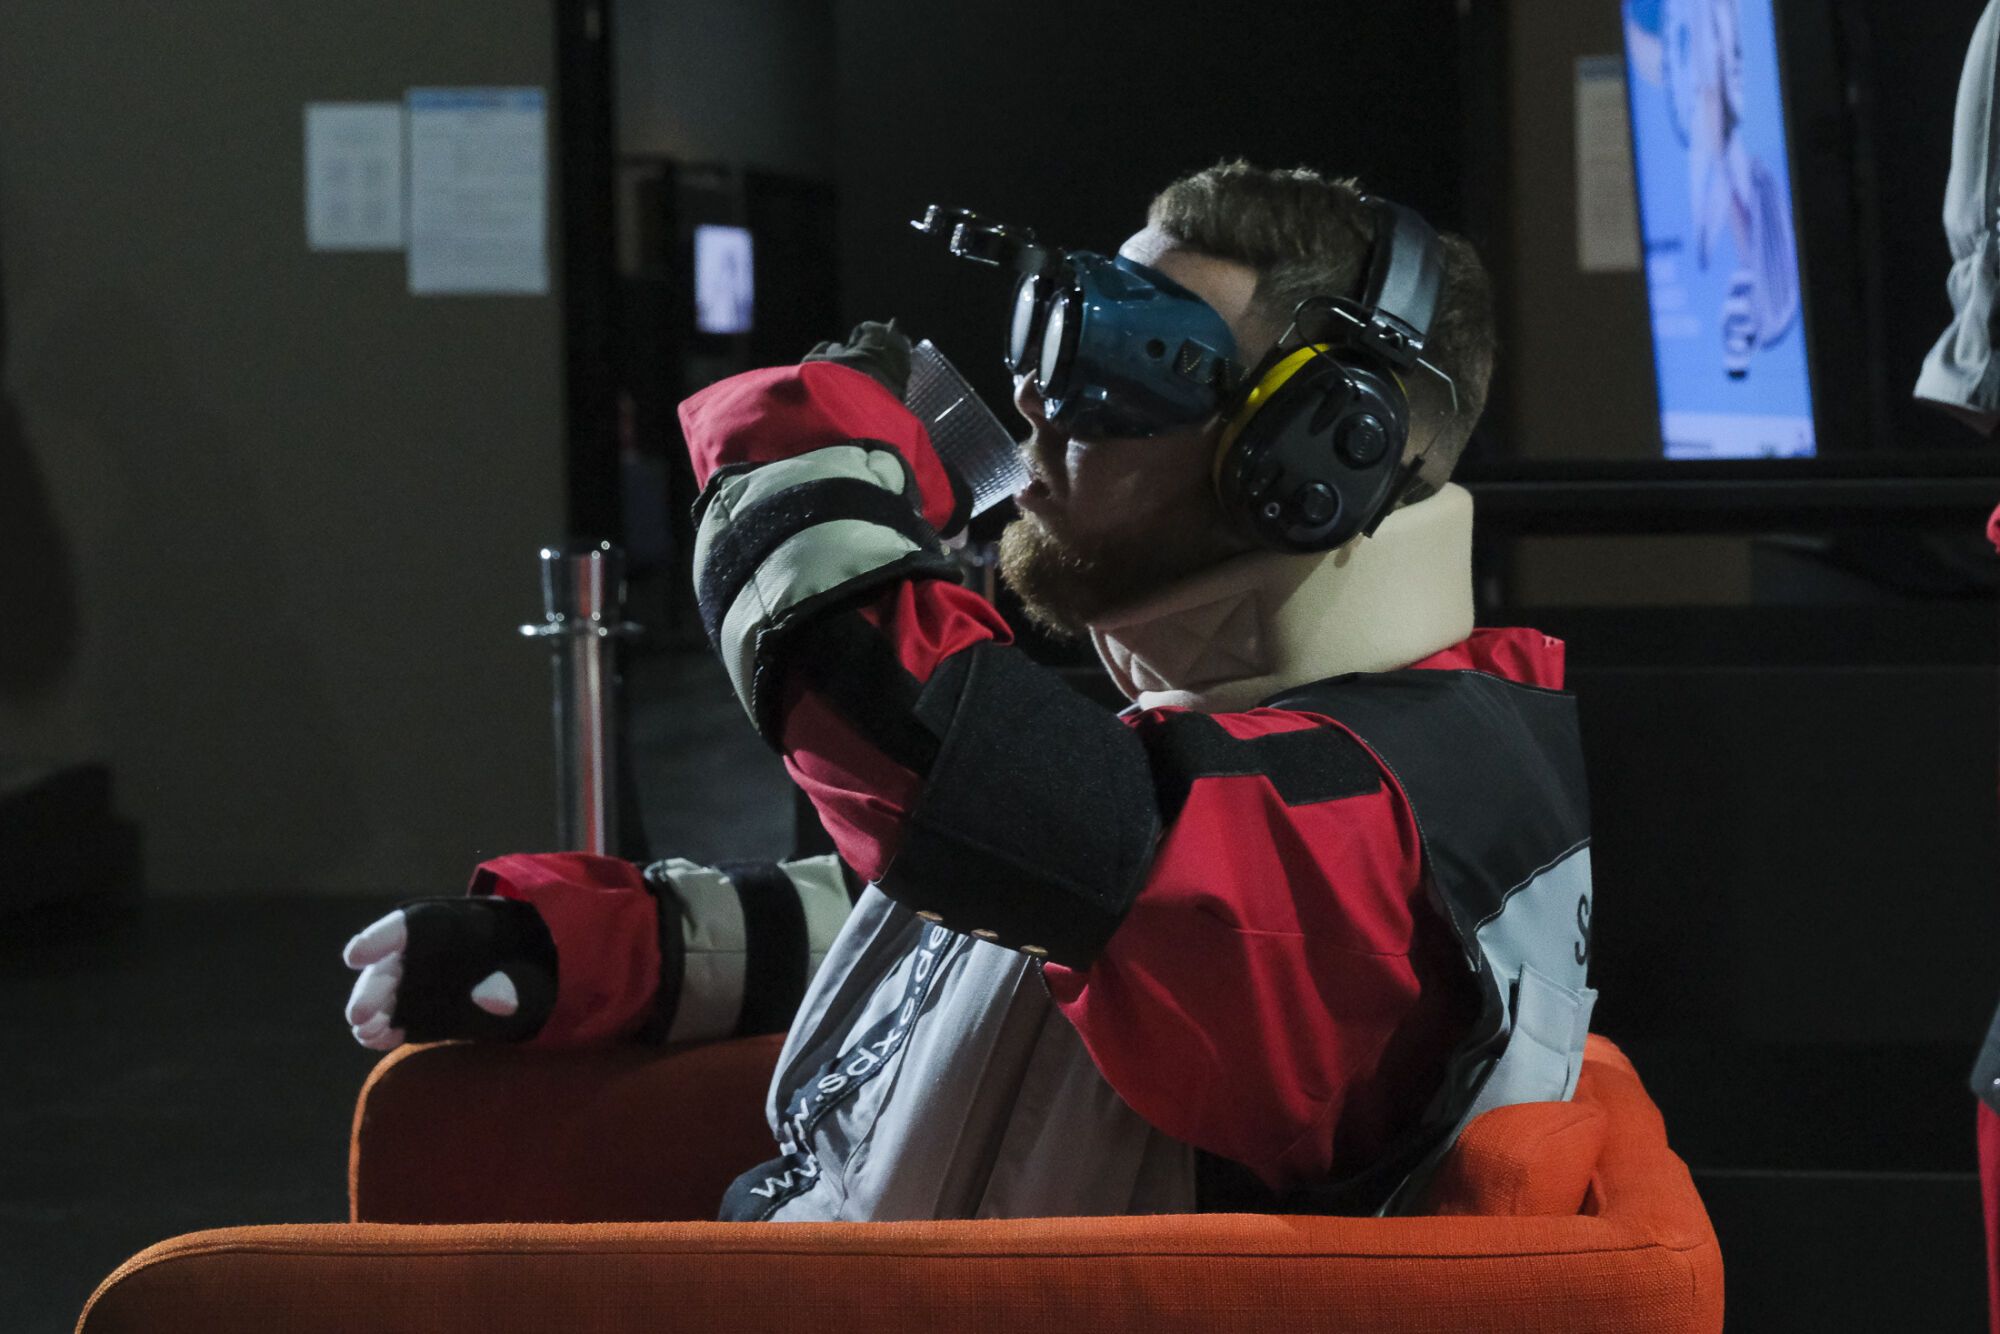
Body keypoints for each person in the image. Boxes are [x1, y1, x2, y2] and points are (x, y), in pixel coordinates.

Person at [341, 161, 1596, 1222]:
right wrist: (625, 950)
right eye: (1061, 332)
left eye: (1137, 362)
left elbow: (949, 771)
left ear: (1314, 454)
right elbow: (972, 924)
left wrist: (807, 459)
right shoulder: (1271, 754)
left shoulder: (1385, 817)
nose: (1044, 402)